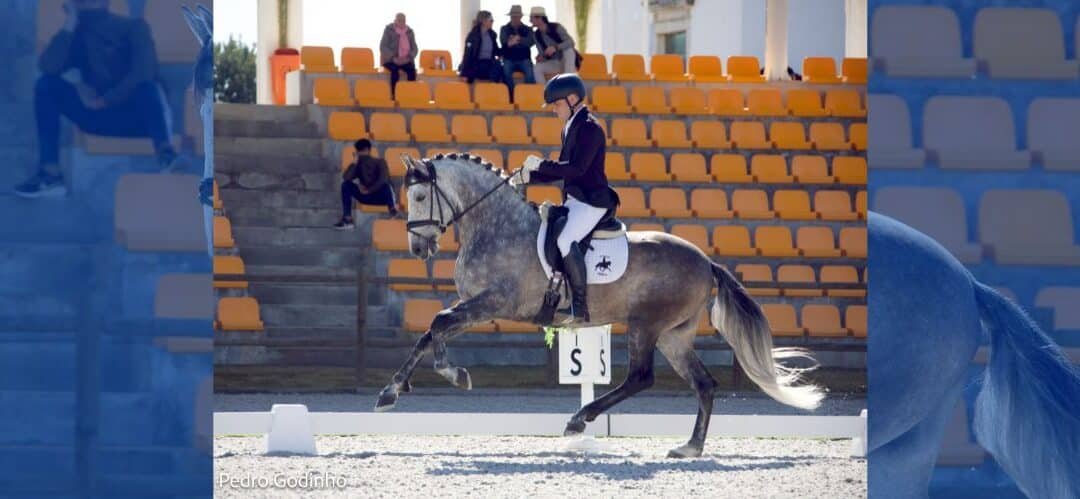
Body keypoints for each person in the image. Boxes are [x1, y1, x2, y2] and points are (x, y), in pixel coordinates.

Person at [17, 0, 180, 198]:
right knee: (46, 85)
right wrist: (69, 24)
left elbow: (144, 72)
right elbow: (48, 67)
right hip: (99, 117)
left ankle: (166, 153)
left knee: (148, 87)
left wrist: (107, 99)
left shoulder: (134, 27)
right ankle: (50, 174)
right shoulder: (77, 35)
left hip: (140, 120)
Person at [510, 74, 618, 322]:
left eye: (557, 104)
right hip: (576, 199)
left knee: (566, 238)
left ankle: (579, 306)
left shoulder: (590, 128)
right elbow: (562, 172)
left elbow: (577, 169)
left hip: (592, 201)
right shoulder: (570, 127)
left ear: (572, 99)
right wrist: (529, 176)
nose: (554, 110)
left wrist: (541, 164)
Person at [335, 139, 398, 229]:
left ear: (368, 150)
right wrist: (354, 163)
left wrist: (369, 190)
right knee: (345, 185)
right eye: (358, 151)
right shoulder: (358, 165)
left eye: (362, 151)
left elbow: (383, 180)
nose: (360, 153)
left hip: (381, 197)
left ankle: (392, 210)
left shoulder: (380, 162)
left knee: (386, 186)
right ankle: (347, 219)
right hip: (365, 196)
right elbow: (346, 178)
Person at [528, 6, 579, 83]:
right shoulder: (536, 35)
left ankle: (568, 82)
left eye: (531, 18)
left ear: (539, 18)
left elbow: (571, 42)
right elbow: (542, 53)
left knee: (569, 51)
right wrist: (542, 57)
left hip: (566, 61)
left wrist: (556, 47)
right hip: (554, 62)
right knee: (537, 68)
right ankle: (544, 89)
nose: (530, 21)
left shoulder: (556, 27)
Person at [499, 5, 536, 97]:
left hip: (524, 59)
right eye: (513, 16)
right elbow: (504, 42)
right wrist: (519, 41)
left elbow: (530, 42)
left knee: (530, 73)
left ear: (521, 17)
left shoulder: (527, 29)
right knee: (506, 72)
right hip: (509, 59)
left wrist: (517, 39)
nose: (515, 18)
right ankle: (512, 95)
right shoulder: (504, 28)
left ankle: (527, 95)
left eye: (517, 16)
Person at [458, 11, 503, 84]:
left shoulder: (492, 35)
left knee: (498, 65)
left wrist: (507, 45)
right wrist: (464, 73)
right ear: (484, 21)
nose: (493, 22)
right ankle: (491, 85)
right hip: (477, 63)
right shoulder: (473, 36)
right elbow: (467, 54)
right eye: (491, 20)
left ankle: (493, 86)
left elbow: (496, 51)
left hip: (489, 63)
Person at [379, 13, 418, 97]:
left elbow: (415, 48)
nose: (401, 22)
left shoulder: (410, 32)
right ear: (395, 21)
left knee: (412, 71)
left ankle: (411, 95)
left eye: (403, 21)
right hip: (391, 60)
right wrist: (393, 58)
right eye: (399, 20)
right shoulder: (388, 30)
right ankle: (394, 95)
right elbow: (383, 46)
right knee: (395, 70)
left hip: (406, 59)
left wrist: (409, 58)